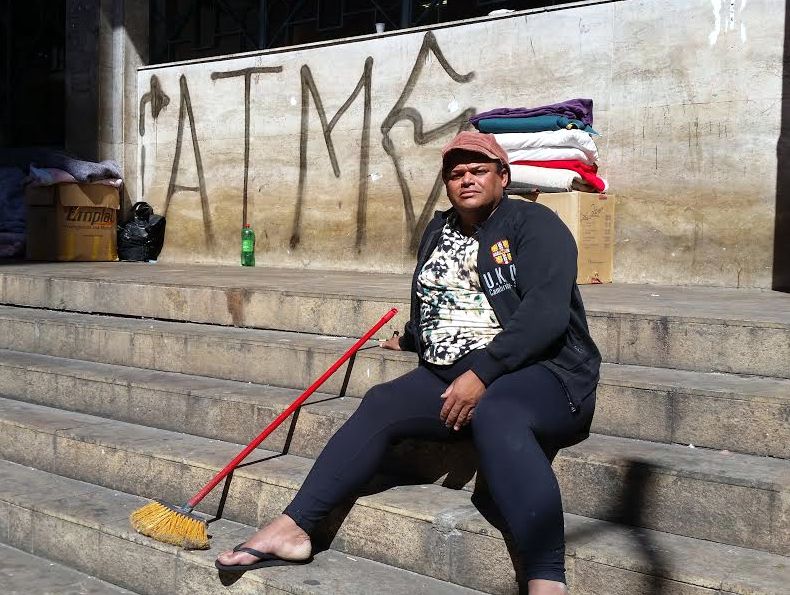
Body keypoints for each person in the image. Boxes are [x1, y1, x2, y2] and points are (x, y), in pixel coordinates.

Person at [215, 131, 601, 594]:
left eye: (478, 170)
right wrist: (413, 336)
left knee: (499, 412)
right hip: (452, 371)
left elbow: (545, 314)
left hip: (543, 372)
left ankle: (546, 577)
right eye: (456, 174)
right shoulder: (440, 229)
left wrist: (483, 374)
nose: (467, 180)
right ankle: (295, 526)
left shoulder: (533, 224)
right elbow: (438, 294)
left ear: (503, 177)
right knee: (381, 401)